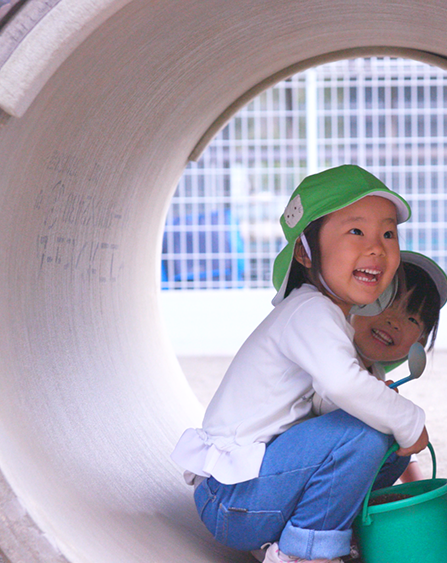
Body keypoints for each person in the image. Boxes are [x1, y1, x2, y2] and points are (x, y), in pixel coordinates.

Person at [170, 165, 429, 563]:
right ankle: (303, 551)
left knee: (383, 434)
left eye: (388, 233)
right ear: (306, 251)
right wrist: (409, 419)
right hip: (235, 497)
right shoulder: (309, 310)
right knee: (370, 431)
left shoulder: (329, 319)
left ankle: (326, 531)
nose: (377, 248)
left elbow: (334, 403)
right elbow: (343, 388)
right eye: (356, 231)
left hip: (255, 492)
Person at [315, 251, 447, 521]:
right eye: (386, 303)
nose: (393, 321)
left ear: (419, 343)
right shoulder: (331, 355)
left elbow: (397, 445)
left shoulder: (372, 373)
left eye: (412, 319)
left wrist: (418, 493)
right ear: (356, 302)